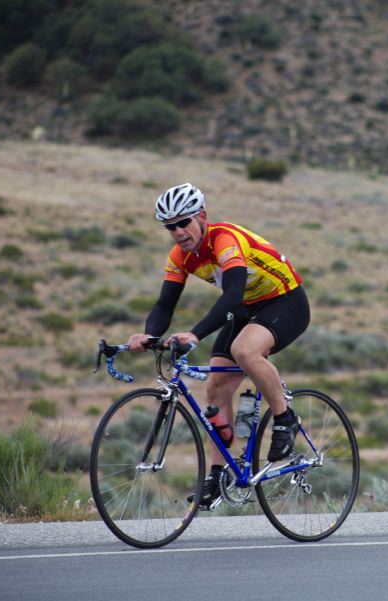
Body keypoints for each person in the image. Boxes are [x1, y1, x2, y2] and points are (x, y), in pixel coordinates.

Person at [126, 183, 310, 508]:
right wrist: (148, 335)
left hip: (285, 302)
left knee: (245, 351)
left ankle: (285, 418)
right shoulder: (180, 256)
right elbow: (164, 305)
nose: (179, 232)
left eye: (184, 223)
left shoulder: (225, 240)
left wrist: (195, 334)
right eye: (171, 227)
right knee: (216, 388)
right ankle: (217, 474)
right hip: (246, 309)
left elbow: (233, 293)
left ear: (202, 217)